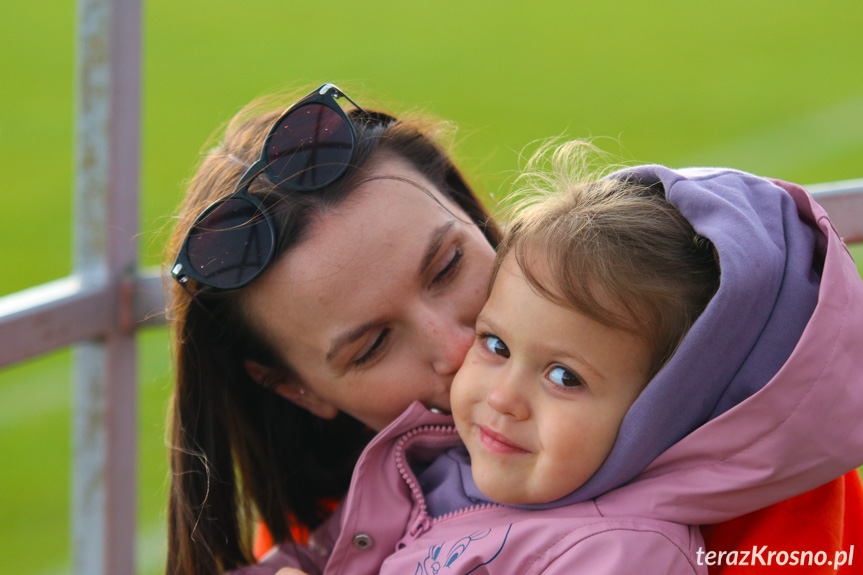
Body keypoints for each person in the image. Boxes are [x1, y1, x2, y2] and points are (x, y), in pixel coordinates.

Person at [164, 84, 861, 575]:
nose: (461, 348)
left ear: (476, 214)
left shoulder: (759, 474)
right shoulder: (325, 517)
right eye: (373, 345)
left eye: (446, 266)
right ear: (295, 388)